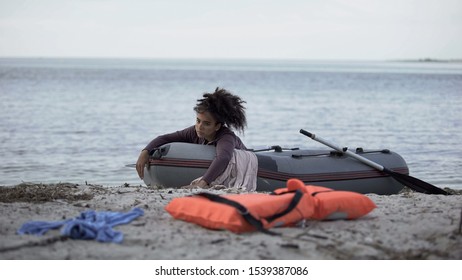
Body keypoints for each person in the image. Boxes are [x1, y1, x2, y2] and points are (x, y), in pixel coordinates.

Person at [136, 87, 248, 188]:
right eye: (198, 121)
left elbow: (223, 157)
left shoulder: (226, 137)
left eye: (207, 124)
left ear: (217, 126)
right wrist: (145, 152)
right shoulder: (194, 132)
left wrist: (203, 182)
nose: (200, 127)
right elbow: (165, 138)